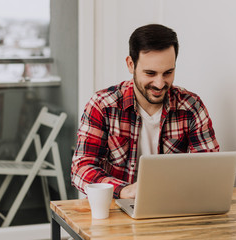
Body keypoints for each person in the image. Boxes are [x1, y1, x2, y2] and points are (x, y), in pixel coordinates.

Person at [71, 24, 219, 199]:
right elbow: (81, 168)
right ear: (131, 64)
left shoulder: (191, 106)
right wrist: (125, 190)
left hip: (171, 207)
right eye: (150, 73)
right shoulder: (102, 105)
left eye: (168, 73)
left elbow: (209, 168)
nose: (159, 83)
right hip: (116, 209)